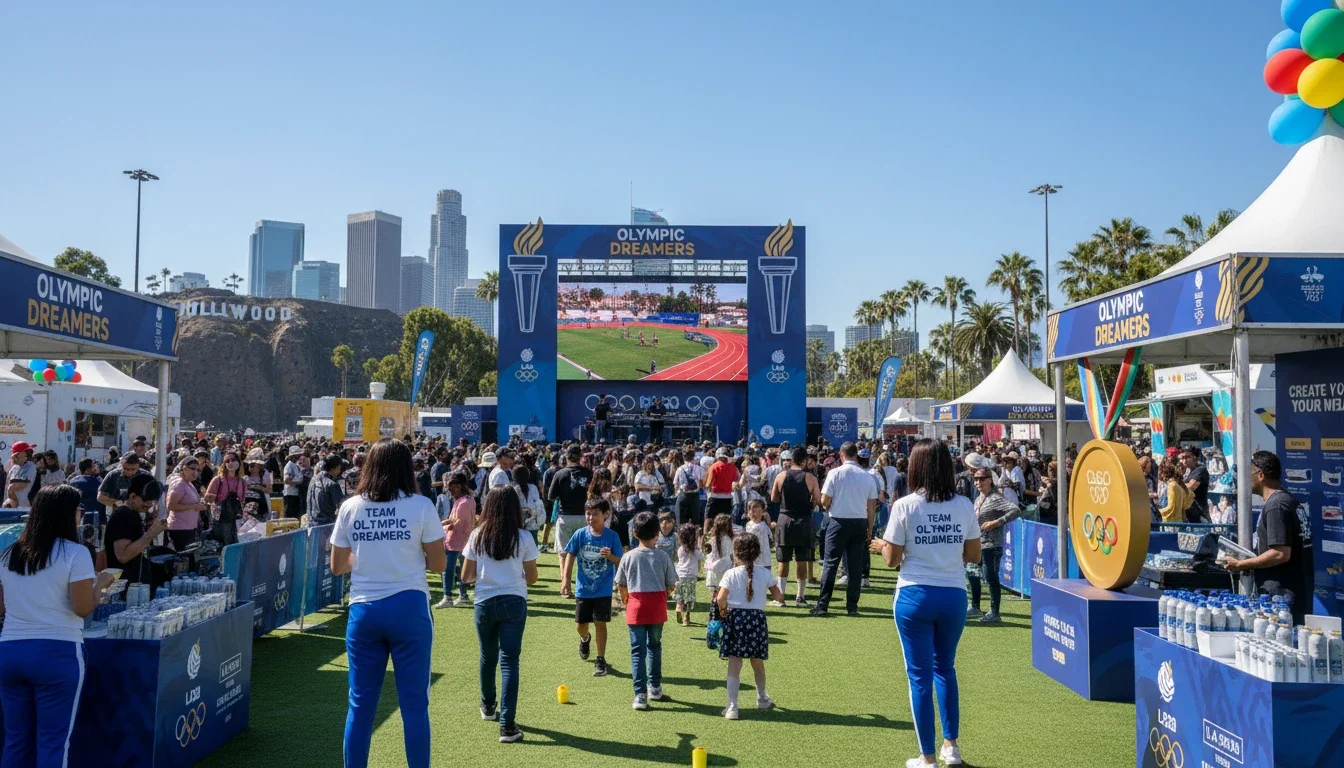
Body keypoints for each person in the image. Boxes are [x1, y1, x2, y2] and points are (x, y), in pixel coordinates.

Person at [329, 439, 447, 768]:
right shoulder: (422, 506)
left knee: (360, 706)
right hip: (409, 609)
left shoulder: (351, 507)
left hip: (364, 611)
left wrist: (371, 556)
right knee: (414, 705)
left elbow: (338, 566)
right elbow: (439, 564)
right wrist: (402, 555)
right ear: (407, 467)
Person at [869, 439, 982, 768]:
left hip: (915, 595)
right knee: (945, 668)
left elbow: (891, 560)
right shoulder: (963, 505)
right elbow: (973, 554)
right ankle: (952, 747)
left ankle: (927, 757)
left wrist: (882, 547)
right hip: (952, 595)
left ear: (915, 467)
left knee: (919, 677)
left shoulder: (904, 505)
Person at [0, 485, 115, 766]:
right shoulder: (75, 553)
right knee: (53, 742)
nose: (81, 515)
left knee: (16, 740)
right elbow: (83, 607)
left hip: (10, 652)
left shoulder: (10, 553)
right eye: (79, 510)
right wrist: (100, 584)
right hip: (57, 652)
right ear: (68, 513)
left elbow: (1, 608)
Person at [461, 486, 539, 743]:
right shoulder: (524, 537)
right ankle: (507, 726)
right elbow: (533, 578)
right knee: (510, 662)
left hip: (484, 601)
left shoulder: (477, 535)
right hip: (514, 601)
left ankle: (488, 705)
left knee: (487, 656)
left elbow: (466, 576)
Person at [1224, 451, 1312, 624]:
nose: (1244, 479)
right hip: (1290, 595)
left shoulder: (1276, 506)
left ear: (1261, 475)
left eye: (1248, 473)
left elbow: (1280, 553)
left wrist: (1241, 564)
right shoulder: (1286, 500)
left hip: (1282, 600)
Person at [714, 533, 784, 720]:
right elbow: (779, 597)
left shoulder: (730, 574)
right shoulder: (764, 573)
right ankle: (762, 698)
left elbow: (720, 598)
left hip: (735, 619)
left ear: (735, 553)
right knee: (757, 662)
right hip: (756, 620)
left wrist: (723, 611)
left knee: (734, 663)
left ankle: (732, 706)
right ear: (757, 553)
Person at [615, 511, 679, 711]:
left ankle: (640, 694)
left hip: (635, 606)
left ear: (634, 533)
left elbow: (621, 584)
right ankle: (655, 687)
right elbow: (671, 584)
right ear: (657, 534)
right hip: (657, 606)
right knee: (655, 647)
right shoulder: (662, 556)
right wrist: (664, 595)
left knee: (637, 651)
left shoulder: (628, 556)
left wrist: (626, 599)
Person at [812, 442, 878, 617]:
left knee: (830, 564)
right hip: (859, 522)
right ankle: (852, 606)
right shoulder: (867, 476)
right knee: (855, 567)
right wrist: (869, 529)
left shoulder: (834, 473)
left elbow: (825, 502)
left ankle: (823, 604)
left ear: (842, 455)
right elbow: (871, 508)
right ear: (856, 455)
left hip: (838, 522)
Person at [563, 498, 623, 677]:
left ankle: (600, 659)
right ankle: (585, 638)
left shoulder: (612, 536)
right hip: (583, 588)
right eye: (588, 513)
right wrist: (565, 579)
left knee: (600, 623)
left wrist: (610, 556)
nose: (590, 517)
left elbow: (620, 561)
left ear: (605, 515)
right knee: (581, 625)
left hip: (603, 589)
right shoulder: (580, 534)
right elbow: (570, 555)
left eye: (595, 514)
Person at [966, 469, 1019, 623]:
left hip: (992, 544)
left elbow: (1015, 510)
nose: (978, 482)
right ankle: (974, 605)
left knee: (990, 577)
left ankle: (994, 612)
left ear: (990, 480)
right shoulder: (979, 498)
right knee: (972, 574)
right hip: (978, 542)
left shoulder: (996, 498)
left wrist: (996, 522)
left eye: (982, 479)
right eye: (975, 479)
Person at [771, 449, 820, 607]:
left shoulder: (781, 476)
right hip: (804, 520)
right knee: (802, 560)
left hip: (785, 519)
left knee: (783, 560)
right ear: (804, 460)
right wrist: (808, 505)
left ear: (791, 459)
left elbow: (774, 498)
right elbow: (817, 500)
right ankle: (800, 597)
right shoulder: (811, 478)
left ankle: (780, 597)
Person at [104, 474, 167, 584]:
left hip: (136, 584)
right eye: (146, 500)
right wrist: (150, 535)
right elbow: (122, 556)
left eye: (152, 501)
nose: (149, 505)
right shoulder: (123, 516)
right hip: (125, 587)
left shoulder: (134, 514)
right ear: (133, 496)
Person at [547, 446, 593, 596]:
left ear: (566, 457)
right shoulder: (588, 473)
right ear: (580, 457)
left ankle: (565, 585)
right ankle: (585, 585)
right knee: (585, 552)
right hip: (585, 516)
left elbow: (551, 496)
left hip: (565, 515)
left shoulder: (560, 474)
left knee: (563, 553)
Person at [435, 472, 475, 609]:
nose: (449, 490)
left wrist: (442, 525)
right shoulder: (467, 500)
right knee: (460, 569)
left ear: (459, 486)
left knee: (448, 569)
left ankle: (448, 596)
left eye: (452, 486)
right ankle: (462, 595)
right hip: (462, 541)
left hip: (454, 541)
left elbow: (456, 522)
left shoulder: (463, 502)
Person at [165, 457, 208, 550]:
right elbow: (170, 505)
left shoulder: (188, 483)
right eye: (192, 468)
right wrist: (194, 506)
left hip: (188, 528)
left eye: (197, 470)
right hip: (179, 529)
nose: (195, 472)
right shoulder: (179, 484)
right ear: (184, 468)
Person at [674, 522, 703, 626]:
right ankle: (686, 618)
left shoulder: (680, 550)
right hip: (691, 576)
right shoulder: (696, 551)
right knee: (689, 597)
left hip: (680, 575)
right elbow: (700, 560)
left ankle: (678, 608)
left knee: (680, 595)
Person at [307, 454, 348, 527]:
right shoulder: (332, 484)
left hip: (311, 523)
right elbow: (342, 506)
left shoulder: (313, 480)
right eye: (339, 468)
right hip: (326, 525)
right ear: (333, 469)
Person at [704, 448, 739, 532]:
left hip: (714, 497)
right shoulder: (733, 468)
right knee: (725, 520)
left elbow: (708, 484)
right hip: (727, 498)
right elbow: (735, 480)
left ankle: (705, 538)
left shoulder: (713, 467)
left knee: (708, 519)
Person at [70, 458, 106, 531]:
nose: (96, 467)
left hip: (75, 521)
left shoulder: (73, 481)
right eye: (93, 466)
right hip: (94, 521)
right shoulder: (96, 482)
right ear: (87, 470)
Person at [1181, 446, 1210, 522]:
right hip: (1189, 514)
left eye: (1187, 457)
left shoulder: (1200, 470)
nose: (1184, 460)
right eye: (1182, 458)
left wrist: (1175, 485)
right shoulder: (1188, 471)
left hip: (1200, 514)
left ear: (1194, 457)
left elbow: (1191, 487)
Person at [4, 443, 36, 511]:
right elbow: (7, 488)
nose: (29, 454)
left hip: (24, 508)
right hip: (9, 507)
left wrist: (12, 493)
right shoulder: (13, 468)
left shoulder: (31, 466)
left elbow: (18, 486)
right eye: (27, 452)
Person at [282, 446, 305, 519]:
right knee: (290, 515)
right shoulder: (289, 466)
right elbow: (286, 480)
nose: (299, 457)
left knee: (295, 514)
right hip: (290, 494)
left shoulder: (295, 465)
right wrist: (295, 484)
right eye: (297, 455)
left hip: (295, 493)